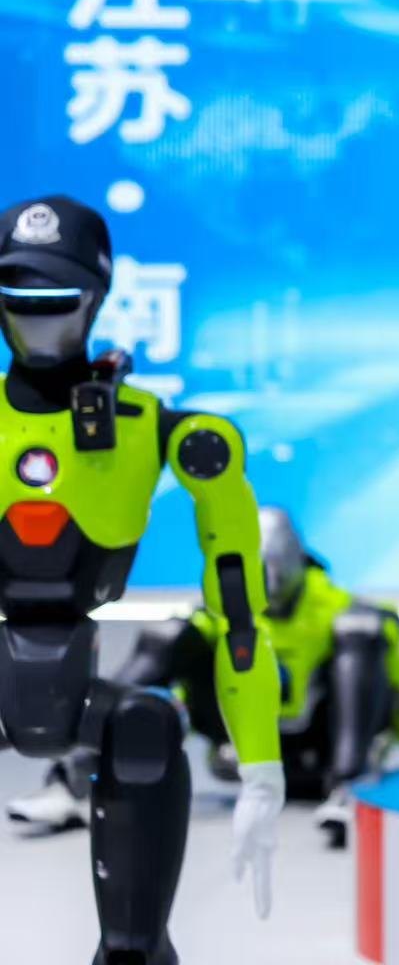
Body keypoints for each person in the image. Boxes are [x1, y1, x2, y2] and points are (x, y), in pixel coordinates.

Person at [0, 195, 282, 961]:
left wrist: (261, 768)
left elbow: (239, 611)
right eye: (18, 298)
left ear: (94, 299)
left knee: (146, 732)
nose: (37, 319)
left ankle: (133, 947)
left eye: (57, 300)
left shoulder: (162, 430)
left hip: (86, 685)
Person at [8, 504, 399, 848]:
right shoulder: (224, 612)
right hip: (240, 747)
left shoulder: (337, 609)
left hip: (320, 751)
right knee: (169, 636)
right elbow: (177, 681)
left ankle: (350, 787)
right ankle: (74, 777)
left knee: (362, 631)